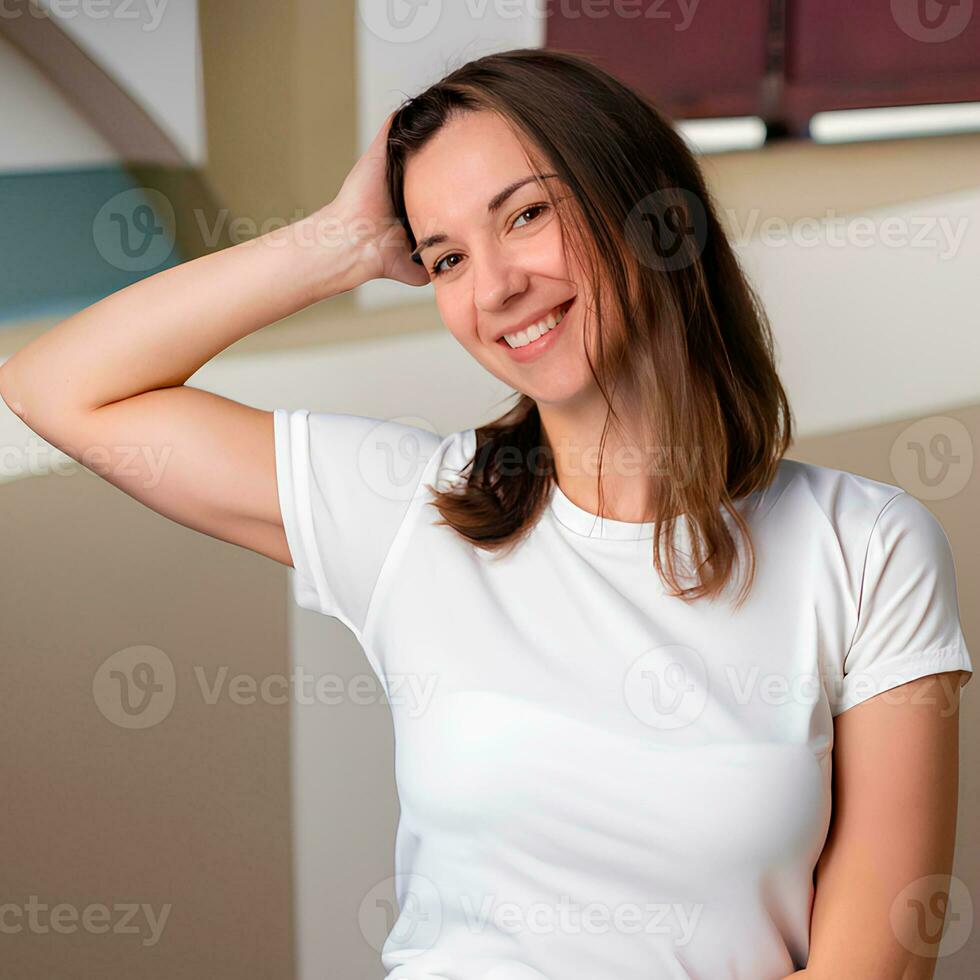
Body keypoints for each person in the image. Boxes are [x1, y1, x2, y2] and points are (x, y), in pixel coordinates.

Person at [0, 48, 972, 980]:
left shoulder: (864, 546)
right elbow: (57, 388)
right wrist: (334, 244)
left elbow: (874, 958)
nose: (497, 288)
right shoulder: (409, 509)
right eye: (446, 257)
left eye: (526, 215)